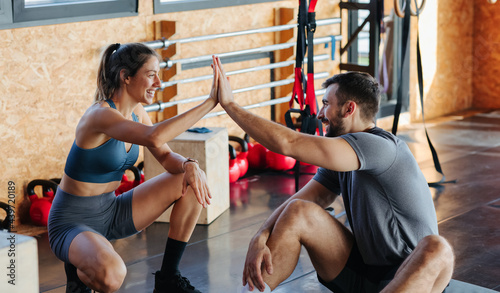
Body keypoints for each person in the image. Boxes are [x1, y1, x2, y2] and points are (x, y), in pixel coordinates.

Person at [211, 55, 455, 293]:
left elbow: (290, 143)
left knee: (438, 247)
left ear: (349, 109)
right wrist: (260, 235)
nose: (319, 114)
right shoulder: (343, 158)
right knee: (298, 210)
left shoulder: (379, 146)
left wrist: (230, 105)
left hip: (410, 279)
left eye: (326, 104)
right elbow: (305, 201)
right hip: (363, 274)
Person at [48, 43, 219, 293]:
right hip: (72, 222)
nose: (158, 83)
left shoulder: (138, 112)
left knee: (191, 180)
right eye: (151, 75)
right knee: (112, 275)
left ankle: (168, 279)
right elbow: (154, 137)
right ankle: (78, 273)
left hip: (112, 209)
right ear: (126, 77)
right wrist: (210, 102)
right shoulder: (100, 115)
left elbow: (166, 156)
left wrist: (189, 164)